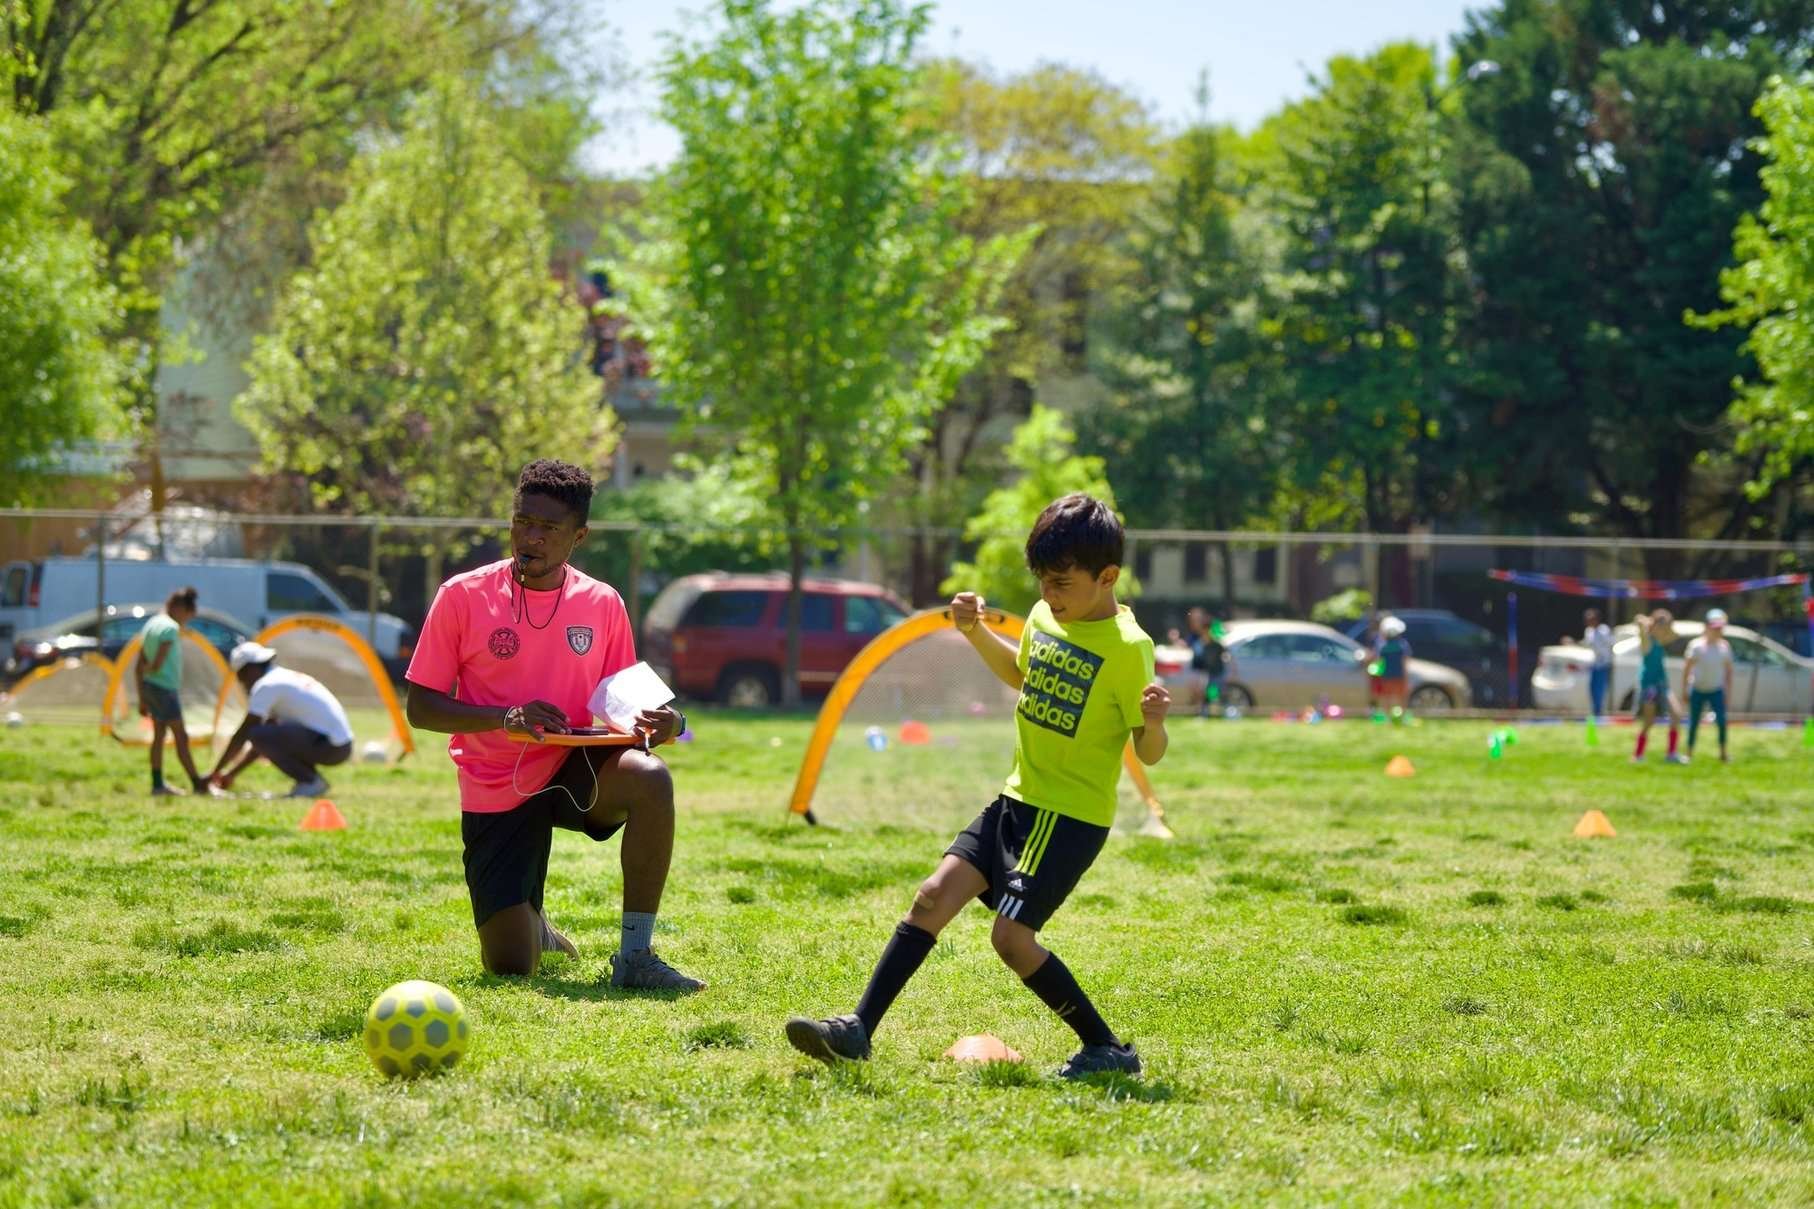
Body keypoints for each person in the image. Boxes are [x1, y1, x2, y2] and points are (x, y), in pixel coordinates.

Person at [785, 493, 1170, 1079]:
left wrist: (1157, 722)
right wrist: (973, 632)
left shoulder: (1127, 649)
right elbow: (1023, 673)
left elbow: (1149, 750)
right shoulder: (1047, 618)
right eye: (1042, 581)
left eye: (1062, 583)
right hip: (1016, 801)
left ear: (1107, 576)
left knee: (1012, 940)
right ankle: (858, 1031)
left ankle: (1108, 1049)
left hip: (1065, 819)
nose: (1048, 596)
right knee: (931, 897)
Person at [403, 459, 701, 987]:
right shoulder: (462, 596)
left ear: (578, 536)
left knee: (651, 777)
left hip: (572, 767)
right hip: (498, 783)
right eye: (522, 522)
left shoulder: (604, 603)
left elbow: (622, 703)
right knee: (512, 967)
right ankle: (532, 924)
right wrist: (505, 718)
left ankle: (635, 958)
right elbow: (421, 708)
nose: (531, 538)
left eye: (548, 528)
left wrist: (669, 722)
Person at [207, 643, 355, 797]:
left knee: (258, 733)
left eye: (241, 676)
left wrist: (214, 773)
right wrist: (231, 773)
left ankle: (310, 781)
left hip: (331, 747)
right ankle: (311, 781)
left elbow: (246, 733)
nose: (242, 683)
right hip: (340, 745)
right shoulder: (281, 677)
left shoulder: (266, 685)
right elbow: (264, 743)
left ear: (249, 669)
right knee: (262, 733)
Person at [136, 586, 210, 796]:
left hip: (150, 687)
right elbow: (157, 662)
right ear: (179, 608)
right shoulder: (170, 628)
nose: (185, 621)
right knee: (181, 736)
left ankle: (158, 784)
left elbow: (140, 661)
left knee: (159, 736)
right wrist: (150, 670)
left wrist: (142, 693)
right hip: (164, 689)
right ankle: (197, 783)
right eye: (187, 616)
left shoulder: (151, 624)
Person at [1632, 609, 1686, 764]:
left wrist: (1665, 621)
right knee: (1649, 722)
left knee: (1676, 714)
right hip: (1649, 687)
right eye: (1661, 624)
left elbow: (1675, 635)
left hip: (1662, 684)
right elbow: (1638, 619)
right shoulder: (1647, 641)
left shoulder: (1661, 640)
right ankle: (1638, 754)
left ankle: (1671, 754)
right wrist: (1650, 622)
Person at [1682, 609, 1733, 764]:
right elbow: (1687, 668)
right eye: (1714, 627)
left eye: (1720, 628)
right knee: (1693, 723)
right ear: (1707, 627)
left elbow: (1729, 672)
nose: (1717, 630)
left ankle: (1723, 754)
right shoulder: (1696, 646)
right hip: (1697, 689)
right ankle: (1689, 754)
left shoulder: (1725, 647)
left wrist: (1728, 693)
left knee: (1722, 722)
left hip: (1716, 690)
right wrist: (1684, 689)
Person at [1187, 607, 1237, 717]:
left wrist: (1232, 670)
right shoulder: (1200, 644)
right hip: (1206, 674)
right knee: (1209, 694)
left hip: (1218, 673)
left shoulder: (1216, 644)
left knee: (1216, 693)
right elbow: (1197, 662)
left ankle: (1222, 713)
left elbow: (1228, 655)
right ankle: (1205, 713)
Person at [1375, 615, 1412, 718]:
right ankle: (1402, 716)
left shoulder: (1382, 646)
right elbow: (1404, 662)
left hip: (1386, 675)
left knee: (1387, 697)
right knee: (1401, 696)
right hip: (1399, 675)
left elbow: (1379, 662)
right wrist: (1406, 677)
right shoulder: (1402, 645)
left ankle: (1387, 716)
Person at [1582, 607, 1614, 718]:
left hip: (1604, 664)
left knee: (1600, 688)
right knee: (1593, 687)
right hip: (1595, 664)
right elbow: (1586, 645)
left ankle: (1599, 711)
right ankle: (1595, 710)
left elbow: (1610, 645)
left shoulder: (1604, 630)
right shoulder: (1589, 632)